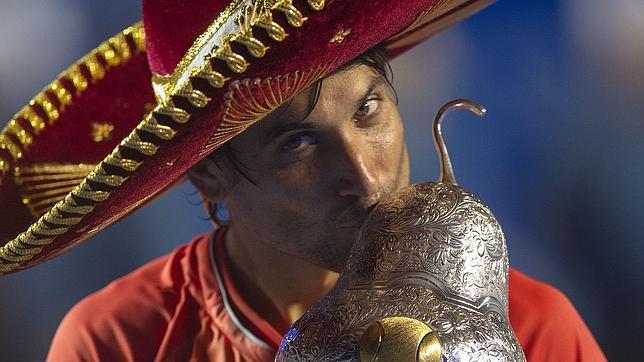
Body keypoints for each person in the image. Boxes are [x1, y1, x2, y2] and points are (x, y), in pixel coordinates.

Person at [0, 0, 605, 361]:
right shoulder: (121, 342)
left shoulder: (529, 327)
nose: (366, 176)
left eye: (368, 110)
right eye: (299, 143)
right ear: (208, 174)